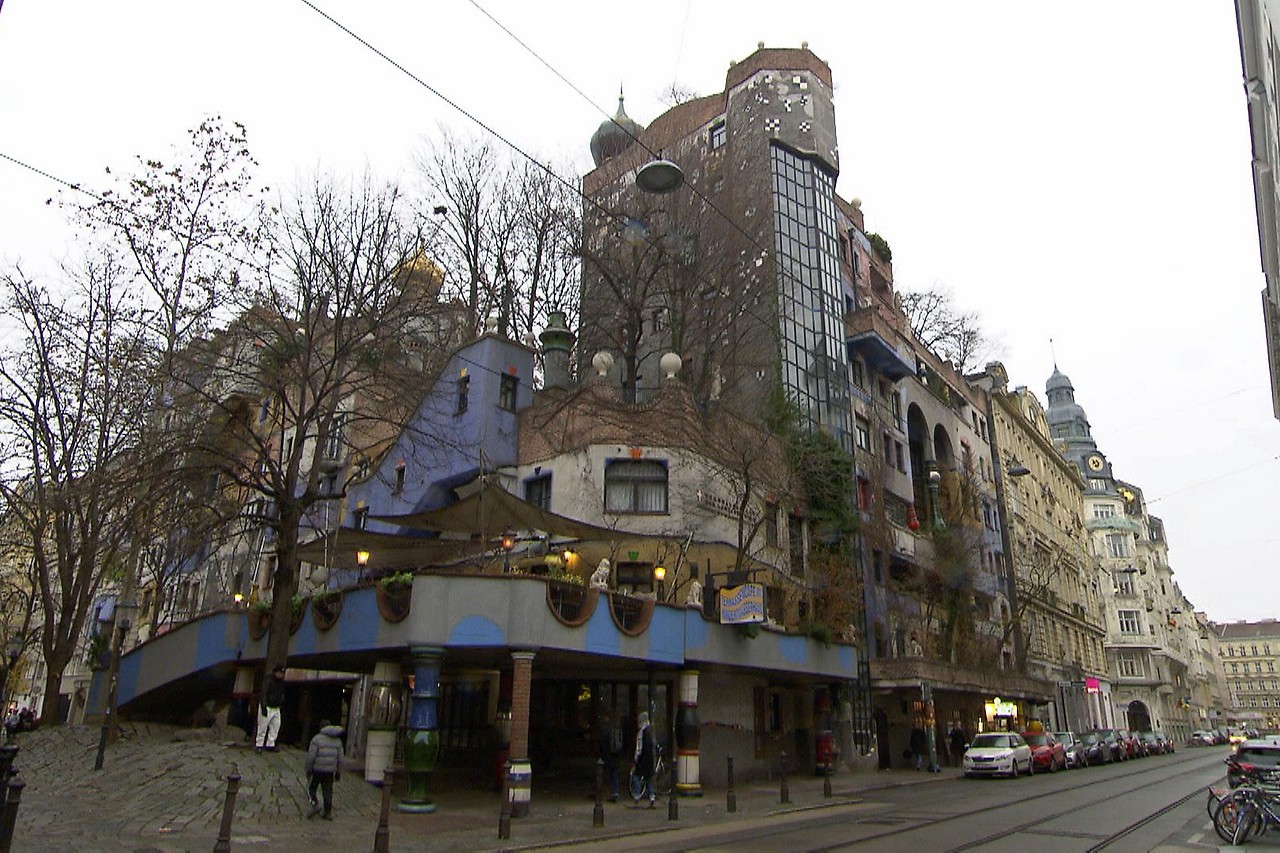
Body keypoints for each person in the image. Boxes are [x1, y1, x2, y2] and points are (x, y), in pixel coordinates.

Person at [305, 719, 344, 820]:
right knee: (328, 791)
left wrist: (308, 769)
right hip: (330, 771)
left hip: (317, 769)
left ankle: (315, 803)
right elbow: (340, 759)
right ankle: (327, 812)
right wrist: (338, 771)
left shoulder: (316, 739)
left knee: (312, 788)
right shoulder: (338, 741)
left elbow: (311, 757)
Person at [256, 665, 286, 752]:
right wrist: (263, 706)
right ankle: (259, 745)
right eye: (280, 673)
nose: (281, 675)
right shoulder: (268, 680)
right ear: (275, 672)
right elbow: (264, 693)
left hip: (276, 707)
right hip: (268, 706)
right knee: (262, 727)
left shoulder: (282, 682)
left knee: (275, 727)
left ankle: (270, 744)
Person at [632, 711, 657, 808]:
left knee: (636, 776)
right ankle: (652, 797)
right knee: (648, 778)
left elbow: (639, 748)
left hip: (642, 759)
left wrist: (635, 760)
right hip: (650, 759)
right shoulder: (651, 731)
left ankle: (637, 796)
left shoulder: (641, 732)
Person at [598, 711, 622, 802]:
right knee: (614, 773)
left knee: (605, 773)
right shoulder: (617, 729)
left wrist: (602, 754)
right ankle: (615, 791)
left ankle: (605, 792)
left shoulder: (605, 730)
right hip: (616, 755)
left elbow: (602, 744)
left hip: (608, 755)